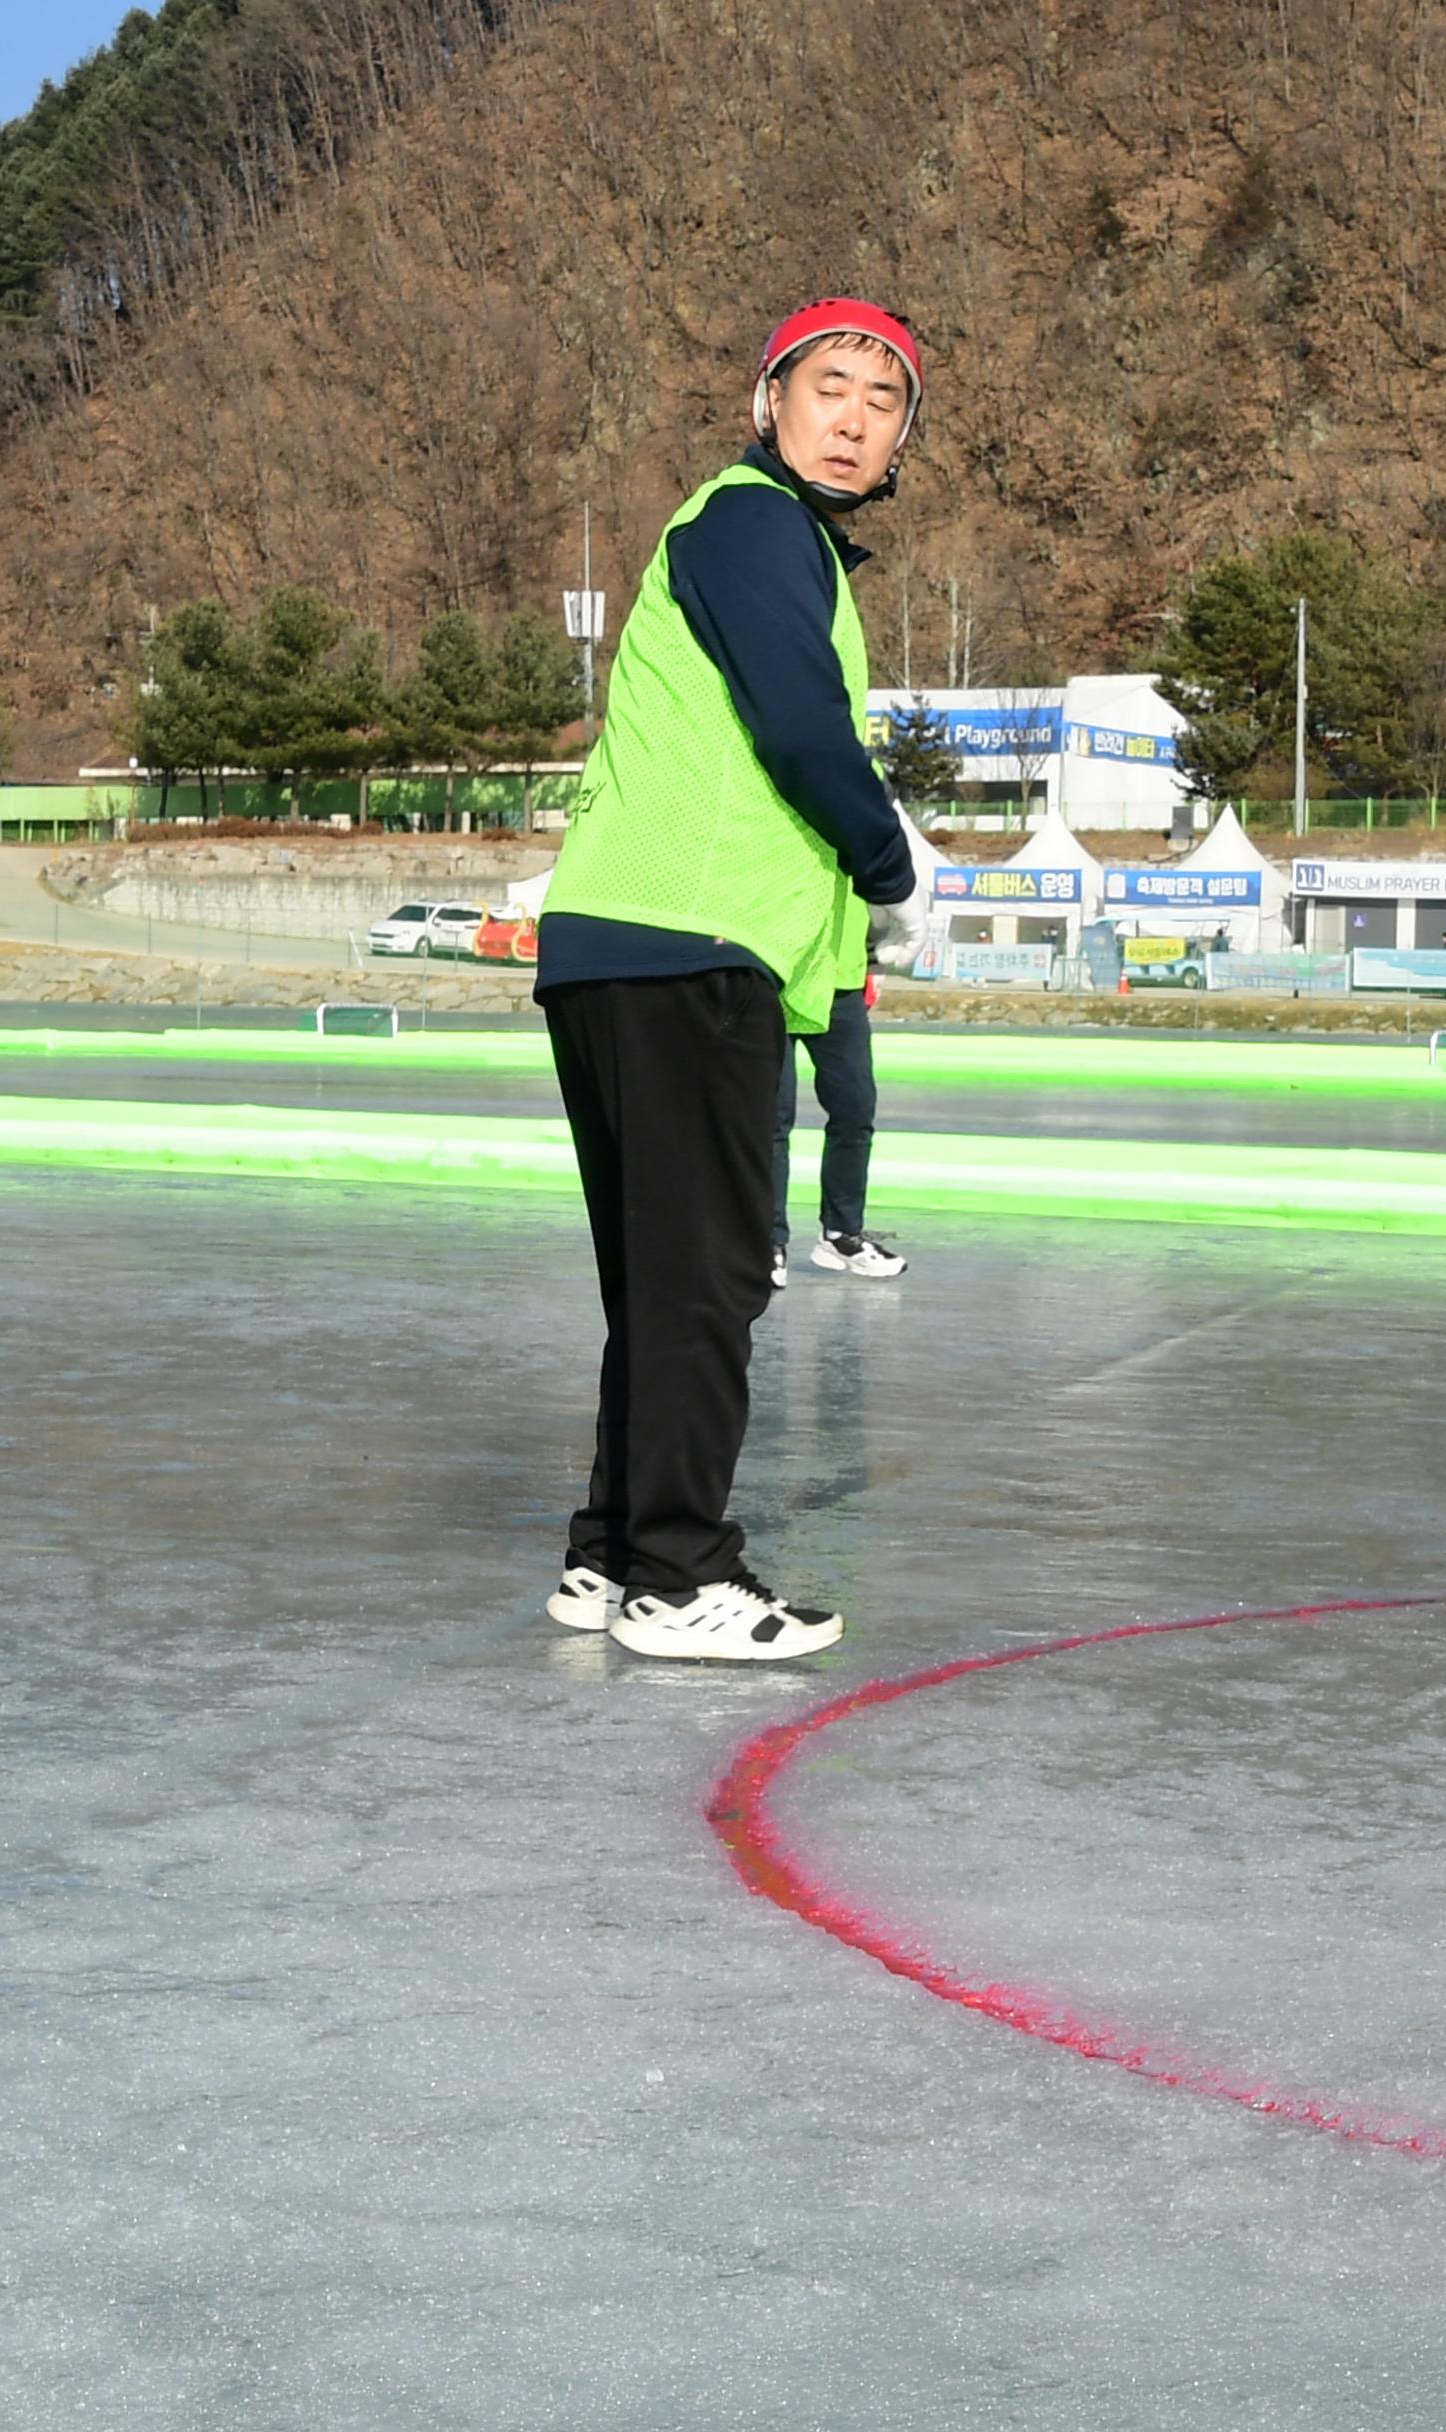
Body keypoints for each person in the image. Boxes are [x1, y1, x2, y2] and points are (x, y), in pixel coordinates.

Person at [533, 297, 923, 1662]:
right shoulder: (757, 523)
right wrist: (891, 863)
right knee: (708, 1277)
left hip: (614, 939)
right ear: (771, 403)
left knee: (660, 1278)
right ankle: (681, 1575)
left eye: (884, 403)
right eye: (831, 386)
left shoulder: (747, 530)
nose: (855, 416)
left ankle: (610, 1552)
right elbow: (801, 724)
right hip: (687, 946)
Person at [772, 967, 907, 1285]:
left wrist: (875, 956)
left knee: (855, 1110)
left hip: (838, 983)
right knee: (772, 1118)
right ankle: (767, 1241)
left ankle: (840, 1233)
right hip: (773, 979)